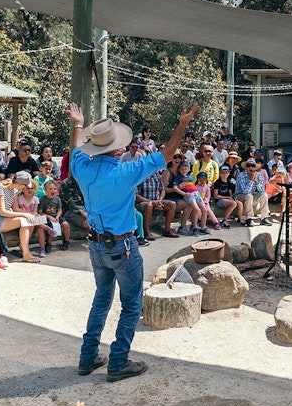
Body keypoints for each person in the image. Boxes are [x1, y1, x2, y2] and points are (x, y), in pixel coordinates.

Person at [67, 101, 196, 382]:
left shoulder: (81, 168)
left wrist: (78, 123)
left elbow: (75, 148)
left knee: (101, 300)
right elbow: (165, 155)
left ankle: (88, 357)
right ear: (118, 148)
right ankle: (118, 361)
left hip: (96, 245)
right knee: (131, 304)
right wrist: (182, 125)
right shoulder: (125, 172)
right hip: (122, 246)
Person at [235, 158, 269, 226]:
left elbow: (262, 190)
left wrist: (256, 181)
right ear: (246, 167)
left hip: (251, 195)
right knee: (249, 196)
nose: (250, 167)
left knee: (264, 195)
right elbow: (245, 191)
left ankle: (263, 217)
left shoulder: (258, 175)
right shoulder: (241, 175)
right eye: (248, 165)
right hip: (239, 196)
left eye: (253, 166)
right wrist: (251, 180)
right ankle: (249, 219)